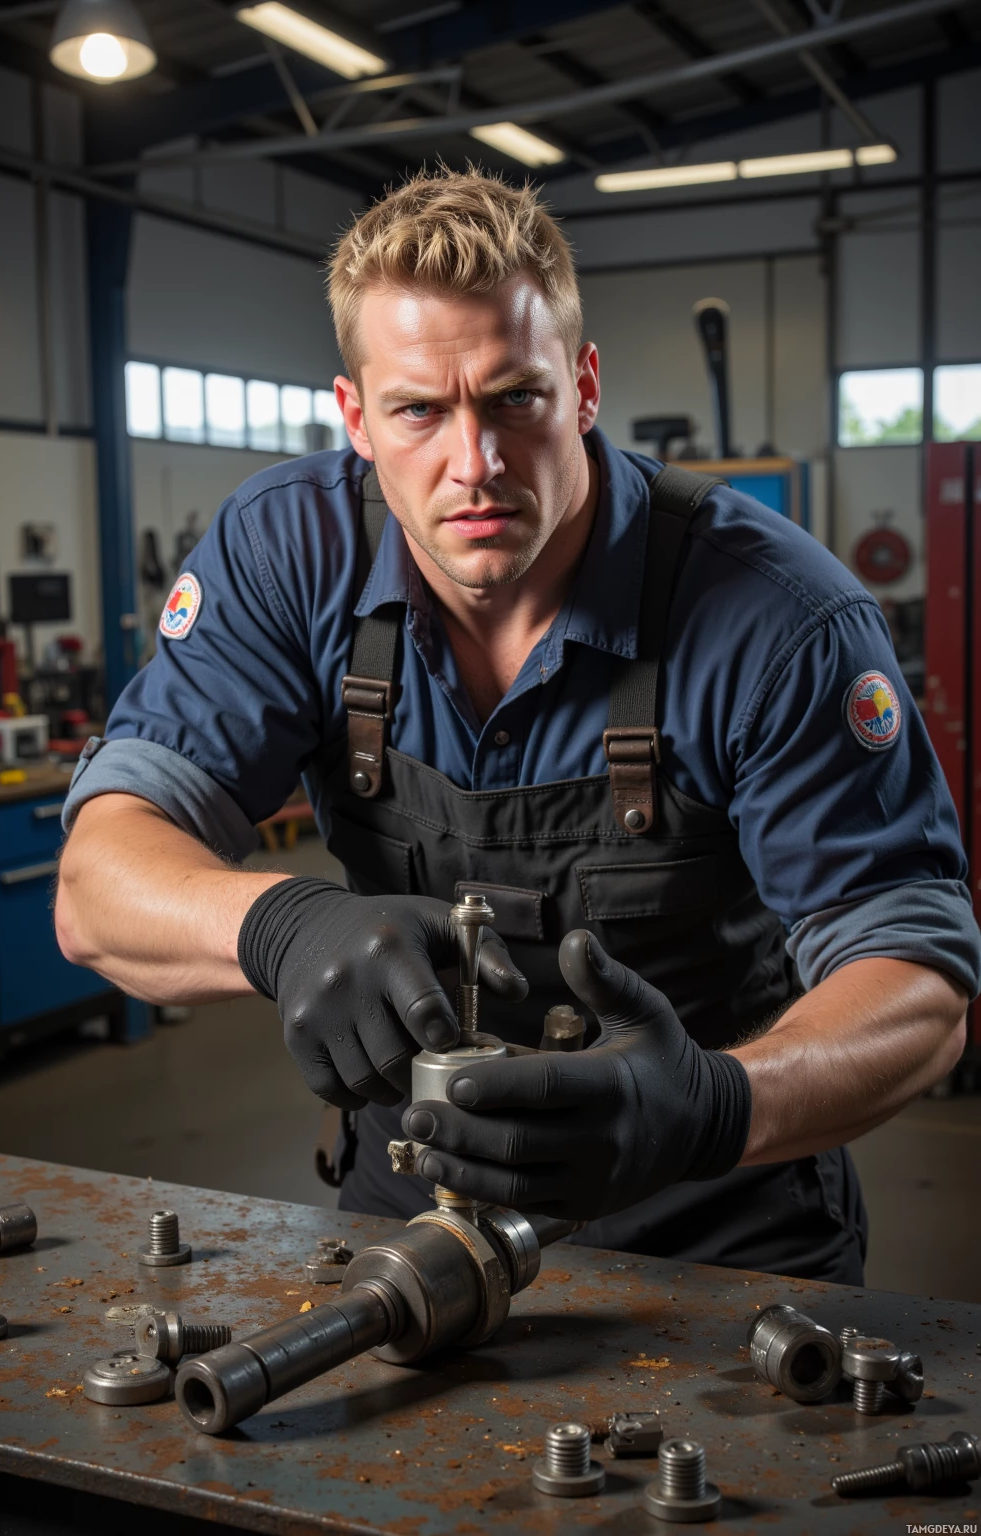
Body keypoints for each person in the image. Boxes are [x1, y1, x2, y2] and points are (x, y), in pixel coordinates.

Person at [56, 168, 979, 1283]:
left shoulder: (777, 616)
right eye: (418, 411)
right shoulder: (287, 556)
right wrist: (284, 927)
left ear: (583, 388)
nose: (474, 464)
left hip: (721, 1233)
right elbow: (98, 885)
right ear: (354, 418)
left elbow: (919, 987)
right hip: (416, 1227)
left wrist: (712, 1106)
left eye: (513, 399)